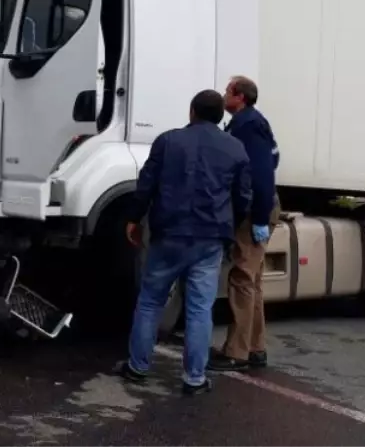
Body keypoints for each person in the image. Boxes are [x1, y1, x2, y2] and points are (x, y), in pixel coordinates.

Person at [116, 89, 252, 396]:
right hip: (209, 239)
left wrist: (134, 218)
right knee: (200, 308)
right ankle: (194, 378)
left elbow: (147, 183)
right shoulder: (235, 149)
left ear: (192, 111)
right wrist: (230, 226)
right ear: (221, 116)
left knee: (150, 301)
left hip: (169, 234)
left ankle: (137, 367)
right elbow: (243, 197)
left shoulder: (167, 141)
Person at [209, 75, 280, 372]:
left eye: (227, 91)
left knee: (241, 279)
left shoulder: (248, 126)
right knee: (252, 281)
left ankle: (236, 352)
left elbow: (263, 175)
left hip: (255, 211)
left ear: (239, 96)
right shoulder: (249, 123)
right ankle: (255, 348)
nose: (224, 95)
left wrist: (260, 218)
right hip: (257, 209)